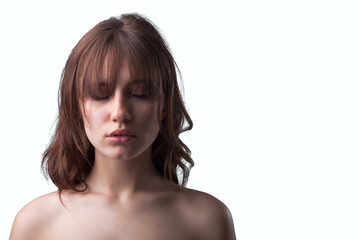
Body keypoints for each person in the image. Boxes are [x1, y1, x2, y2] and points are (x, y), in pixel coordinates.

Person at [10, 13, 236, 239]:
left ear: (165, 103)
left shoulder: (207, 220)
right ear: (77, 105)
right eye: (100, 95)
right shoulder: (34, 224)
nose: (120, 113)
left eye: (140, 94)